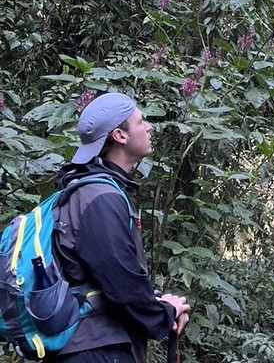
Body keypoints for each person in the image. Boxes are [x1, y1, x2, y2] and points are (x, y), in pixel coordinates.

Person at [52, 92, 191, 363]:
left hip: (85, 345)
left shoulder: (85, 189)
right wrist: (165, 314)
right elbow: (120, 282)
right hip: (95, 349)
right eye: (141, 121)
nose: (149, 127)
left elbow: (99, 277)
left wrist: (161, 304)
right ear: (120, 135)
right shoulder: (100, 196)